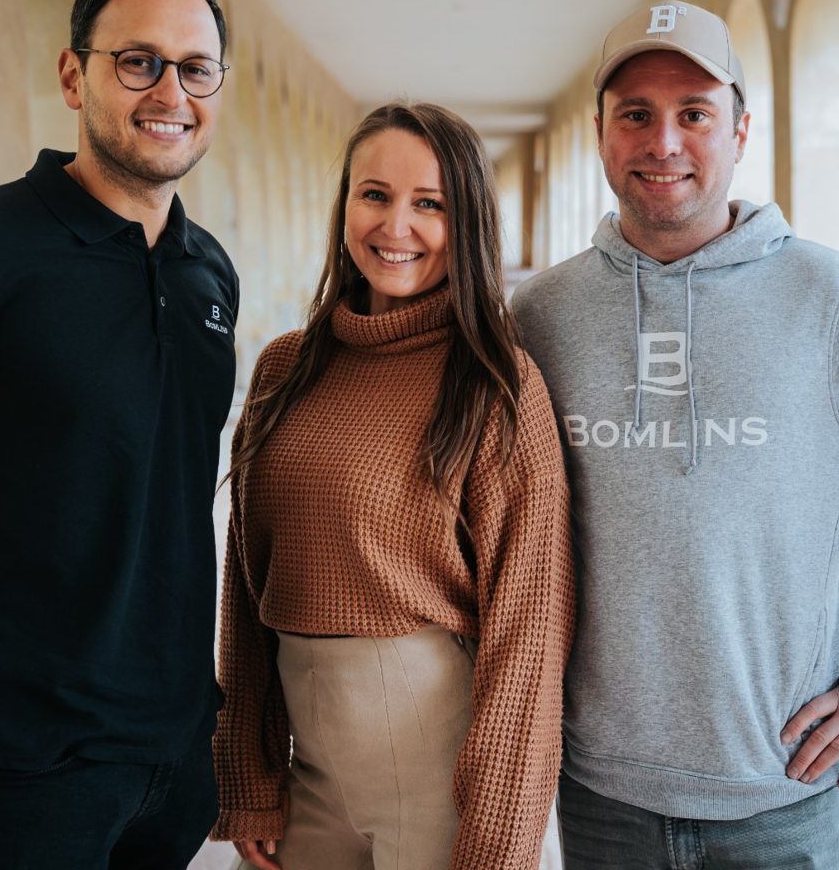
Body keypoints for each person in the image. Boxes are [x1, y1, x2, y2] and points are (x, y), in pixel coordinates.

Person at [512, 0, 839, 868]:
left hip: (785, 797)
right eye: (636, 114)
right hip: (599, 797)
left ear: (742, 132)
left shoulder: (837, 302)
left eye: (694, 114)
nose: (663, 142)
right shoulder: (541, 316)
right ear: (600, 132)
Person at [0, 0, 238, 868]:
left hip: (175, 748)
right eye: (138, 61)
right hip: (24, 761)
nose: (170, 91)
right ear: (73, 76)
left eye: (196, 67)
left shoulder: (207, 270)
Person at [211, 102, 575, 870]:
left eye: (429, 204)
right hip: (307, 764)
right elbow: (244, 589)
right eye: (374, 194)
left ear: (467, 220)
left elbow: (529, 633)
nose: (395, 226)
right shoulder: (285, 368)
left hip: (436, 765)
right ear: (345, 201)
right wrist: (247, 774)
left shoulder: (497, 385)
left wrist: (500, 844)